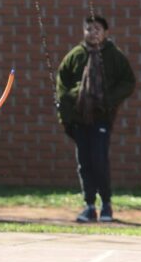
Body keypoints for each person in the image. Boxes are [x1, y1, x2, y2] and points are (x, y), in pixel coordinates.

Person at [56, 15, 135, 222]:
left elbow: (128, 82)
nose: (93, 32)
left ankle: (106, 204)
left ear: (106, 32)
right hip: (79, 119)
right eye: (89, 29)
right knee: (84, 162)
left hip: (101, 118)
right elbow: (61, 86)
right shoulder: (75, 55)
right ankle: (89, 206)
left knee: (99, 160)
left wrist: (109, 99)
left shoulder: (114, 56)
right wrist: (71, 104)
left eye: (98, 28)